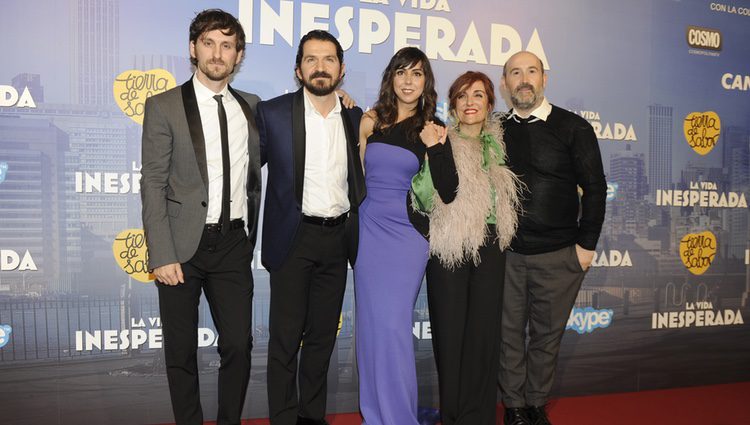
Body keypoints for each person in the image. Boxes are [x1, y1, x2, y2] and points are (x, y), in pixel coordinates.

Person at [140, 9, 260, 425]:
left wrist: (345, 104)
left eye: (227, 45)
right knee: (180, 350)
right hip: (180, 247)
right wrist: (161, 253)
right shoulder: (164, 106)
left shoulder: (253, 108)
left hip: (232, 245)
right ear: (193, 49)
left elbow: (300, 124)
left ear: (238, 56)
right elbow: (152, 183)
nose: (217, 52)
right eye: (209, 43)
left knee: (238, 347)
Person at [255, 30, 365, 425]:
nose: (320, 67)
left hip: (337, 240)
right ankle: (283, 418)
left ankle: (311, 417)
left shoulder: (356, 117)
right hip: (292, 239)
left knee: (322, 340)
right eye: (311, 59)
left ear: (341, 67)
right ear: (298, 69)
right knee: (285, 341)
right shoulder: (273, 113)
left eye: (329, 59)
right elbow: (246, 175)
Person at [497, 51, 607, 425]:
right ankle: (513, 407)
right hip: (507, 255)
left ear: (545, 79)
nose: (523, 79)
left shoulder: (573, 127)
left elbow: (594, 187)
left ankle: (534, 404)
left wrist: (586, 247)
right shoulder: (494, 130)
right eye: (515, 72)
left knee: (547, 337)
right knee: (508, 336)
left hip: (560, 255)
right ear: (505, 83)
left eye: (531, 71)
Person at [411, 71, 521, 425]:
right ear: (453, 105)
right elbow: (425, 198)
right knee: (451, 335)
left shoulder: (501, 145)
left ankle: (479, 417)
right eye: (462, 96)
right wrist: (432, 157)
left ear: (490, 103)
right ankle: (454, 416)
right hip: (451, 246)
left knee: (483, 337)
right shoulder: (440, 142)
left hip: (491, 246)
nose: (470, 102)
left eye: (478, 95)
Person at [354, 46, 457, 425]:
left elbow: (448, 190)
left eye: (416, 73)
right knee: (369, 329)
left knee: (393, 328)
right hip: (367, 232)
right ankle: (374, 415)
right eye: (401, 72)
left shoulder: (432, 127)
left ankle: (398, 418)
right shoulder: (371, 121)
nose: (408, 80)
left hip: (406, 237)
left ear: (426, 81)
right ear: (391, 78)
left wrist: (436, 146)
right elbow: (357, 176)